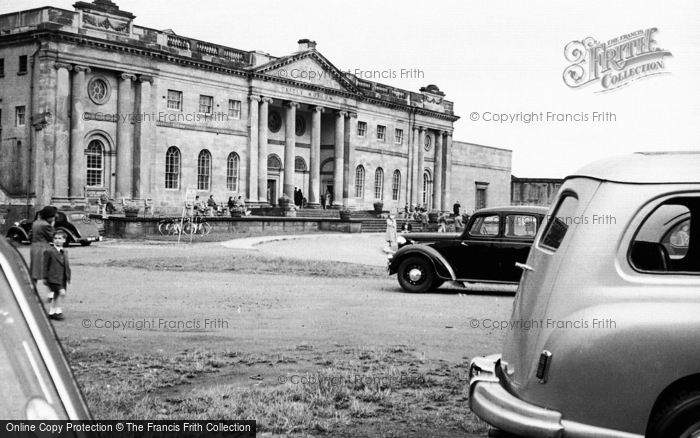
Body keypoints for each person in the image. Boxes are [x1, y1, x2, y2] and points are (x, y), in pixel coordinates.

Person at [43, 230, 71, 320]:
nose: (57, 240)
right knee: (61, 293)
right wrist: (45, 278)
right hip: (53, 277)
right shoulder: (49, 251)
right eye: (55, 238)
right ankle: (58, 312)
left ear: (64, 240)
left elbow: (66, 264)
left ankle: (52, 312)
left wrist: (68, 275)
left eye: (60, 238)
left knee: (56, 295)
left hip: (62, 277)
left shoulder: (65, 252)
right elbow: (44, 265)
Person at [30, 206, 56, 287]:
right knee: (49, 271)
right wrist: (52, 225)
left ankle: (32, 290)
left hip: (34, 248)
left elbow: (30, 236)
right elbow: (53, 237)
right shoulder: (46, 225)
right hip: (43, 249)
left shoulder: (35, 223)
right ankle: (51, 293)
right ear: (48, 217)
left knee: (34, 272)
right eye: (52, 217)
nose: (53, 218)